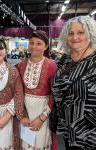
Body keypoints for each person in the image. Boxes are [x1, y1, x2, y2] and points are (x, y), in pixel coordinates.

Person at [52, 16, 96, 150]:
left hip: (89, 132)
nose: (75, 37)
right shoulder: (66, 58)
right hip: (67, 128)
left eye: (80, 32)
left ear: (90, 34)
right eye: (71, 33)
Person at [17, 30, 58, 150]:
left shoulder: (52, 65)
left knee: (41, 144)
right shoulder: (21, 65)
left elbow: (54, 94)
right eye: (31, 43)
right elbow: (18, 93)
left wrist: (42, 117)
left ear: (45, 46)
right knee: (25, 144)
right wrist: (22, 115)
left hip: (43, 113)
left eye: (38, 43)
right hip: (25, 114)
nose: (34, 46)